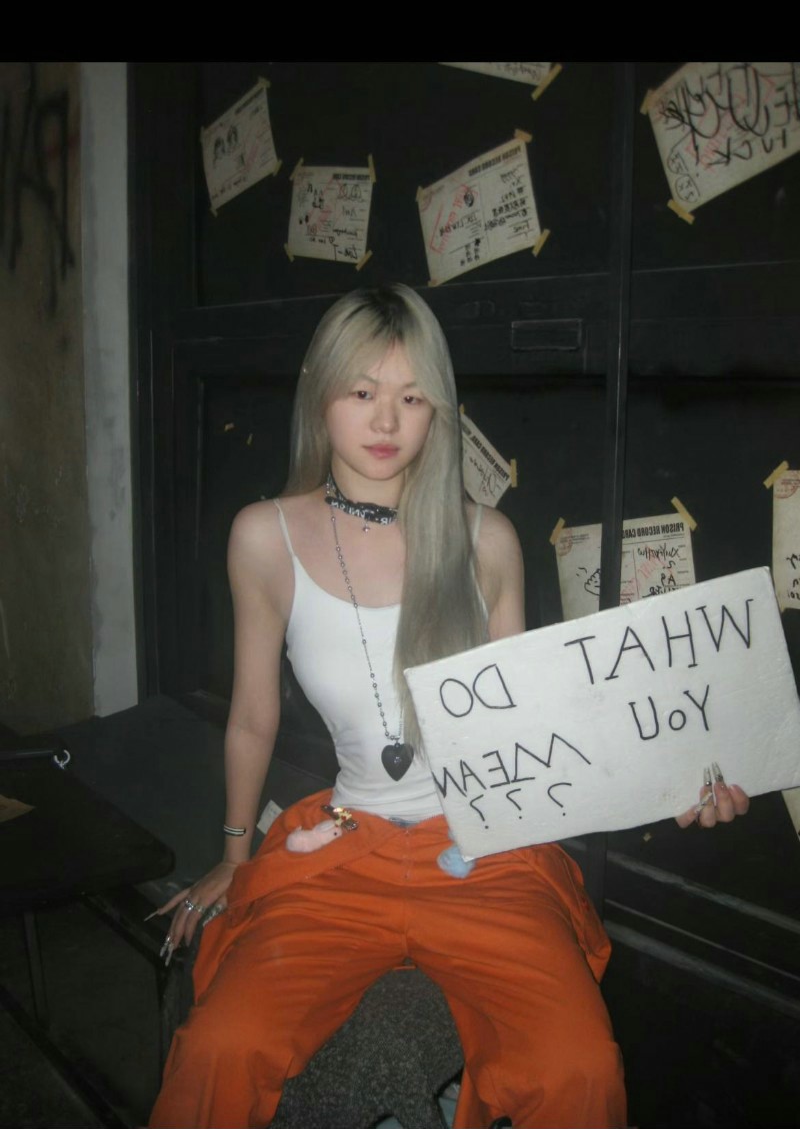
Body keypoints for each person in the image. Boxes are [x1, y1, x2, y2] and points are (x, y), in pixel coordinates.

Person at [148, 283, 749, 1129]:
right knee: (218, 1050)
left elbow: (532, 728)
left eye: (411, 396)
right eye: (363, 390)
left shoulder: (486, 538)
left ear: (438, 408)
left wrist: (669, 779)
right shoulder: (264, 535)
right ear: (319, 392)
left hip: (483, 850)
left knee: (580, 1068)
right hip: (344, 846)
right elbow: (253, 714)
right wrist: (234, 852)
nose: (385, 419)